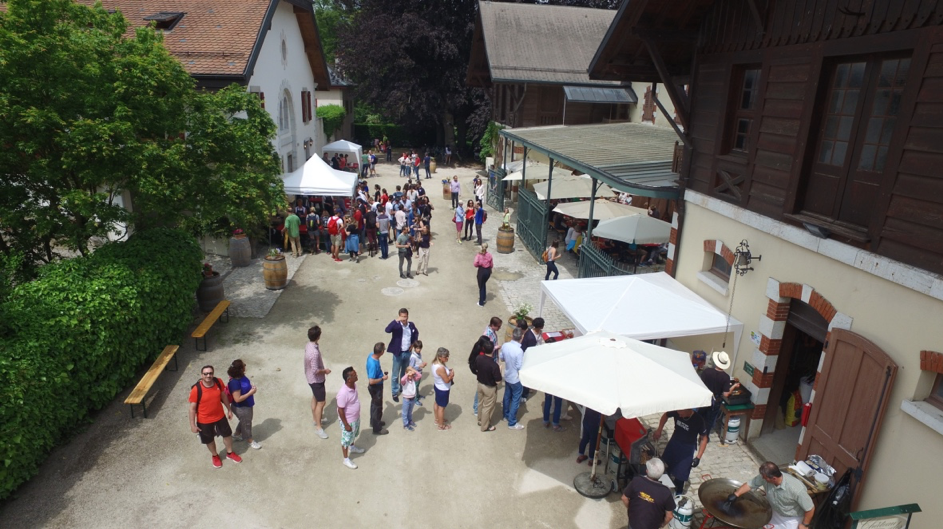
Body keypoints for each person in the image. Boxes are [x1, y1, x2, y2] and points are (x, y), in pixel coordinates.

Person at [729, 462, 815, 529]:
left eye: (764, 478)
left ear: (774, 478)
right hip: (775, 511)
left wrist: (804, 525)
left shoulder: (796, 489)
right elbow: (750, 484)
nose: (762, 479)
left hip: (791, 518)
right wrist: (736, 494)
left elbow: (810, 508)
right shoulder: (765, 477)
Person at [188, 365, 242, 469]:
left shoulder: (218, 382)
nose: (208, 375)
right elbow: (192, 408)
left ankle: (230, 453)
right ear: (202, 375)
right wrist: (192, 425)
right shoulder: (196, 389)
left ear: (213, 373)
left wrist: (229, 409)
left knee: (227, 435)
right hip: (204, 420)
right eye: (206, 374)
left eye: (210, 373)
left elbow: (223, 396)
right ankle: (215, 455)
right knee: (209, 439)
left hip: (220, 416)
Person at [653, 408, 709, 494]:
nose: (679, 415)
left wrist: (698, 457)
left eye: (681, 413)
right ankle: (661, 488)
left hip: (687, 448)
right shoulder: (677, 411)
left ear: (688, 409)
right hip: (674, 442)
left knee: (681, 474)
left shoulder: (698, 420)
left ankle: (678, 494)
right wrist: (659, 430)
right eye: (678, 413)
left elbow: (704, 439)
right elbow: (666, 415)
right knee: (665, 466)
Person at [621, 458, 676, 529]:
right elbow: (669, 516)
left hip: (634, 523)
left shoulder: (637, 481)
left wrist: (631, 509)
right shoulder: (666, 492)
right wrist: (662, 525)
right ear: (661, 474)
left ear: (647, 471)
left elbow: (624, 498)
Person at [699, 351, 739, 438]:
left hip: (704, 399)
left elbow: (700, 384)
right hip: (714, 402)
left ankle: (695, 433)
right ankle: (704, 437)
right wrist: (734, 386)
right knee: (709, 421)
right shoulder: (725, 377)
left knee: (700, 417)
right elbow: (726, 394)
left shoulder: (707, 371)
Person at [384, 307, 419, 401]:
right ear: (399, 316)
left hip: (407, 353)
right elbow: (387, 330)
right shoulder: (396, 325)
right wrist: (396, 320)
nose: (404, 319)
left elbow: (416, 334)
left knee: (404, 372)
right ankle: (394, 392)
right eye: (402, 317)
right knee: (395, 374)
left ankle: (402, 387)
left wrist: (413, 344)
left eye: (406, 317)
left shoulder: (411, 325)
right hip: (398, 353)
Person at [225, 360, 260, 450]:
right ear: (240, 369)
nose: (245, 365)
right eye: (244, 365)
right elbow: (237, 399)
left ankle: (236, 434)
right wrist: (251, 392)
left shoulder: (241, 376)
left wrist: (250, 387)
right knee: (247, 423)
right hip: (241, 407)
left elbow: (245, 384)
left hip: (247, 404)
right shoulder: (234, 383)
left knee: (244, 420)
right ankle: (249, 440)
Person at [304, 325, 331, 439]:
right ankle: (318, 428)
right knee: (321, 402)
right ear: (318, 336)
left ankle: (316, 419)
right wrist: (325, 371)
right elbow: (315, 370)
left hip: (310, 378)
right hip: (316, 380)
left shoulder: (309, 345)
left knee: (315, 397)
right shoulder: (314, 353)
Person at [336, 367, 365, 469]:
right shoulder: (343, 393)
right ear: (349, 379)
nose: (357, 375)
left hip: (355, 417)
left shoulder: (354, 385)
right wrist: (346, 424)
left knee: (353, 434)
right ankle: (346, 459)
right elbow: (340, 410)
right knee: (346, 439)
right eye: (354, 375)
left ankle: (352, 447)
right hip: (348, 420)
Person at [501, 327, 526, 430]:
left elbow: (502, 358)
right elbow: (519, 366)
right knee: (515, 400)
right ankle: (512, 422)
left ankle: (505, 416)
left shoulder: (505, 345)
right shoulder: (519, 351)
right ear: (522, 337)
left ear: (512, 335)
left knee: (507, 396)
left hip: (507, 375)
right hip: (515, 378)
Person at [475, 340, 502, 432]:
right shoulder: (494, 365)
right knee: (487, 407)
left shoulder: (478, 358)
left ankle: (480, 420)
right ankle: (485, 426)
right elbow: (498, 381)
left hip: (480, 384)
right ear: (493, 350)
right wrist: (500, 370)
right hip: (489, 388)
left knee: (480, 403)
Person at [365, 342, 390, 435]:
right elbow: (371, 381)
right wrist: (382, 378)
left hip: (376, 386)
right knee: (377, 407)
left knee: (374, 404)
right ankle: (377, 428)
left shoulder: (371, 355)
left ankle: (374, 421)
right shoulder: (373, 364)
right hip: (376, 387)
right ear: (381, 352)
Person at [431, 347, 455, 430]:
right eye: (445, 357)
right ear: (440, 357)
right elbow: (447, 380)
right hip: (443, 390)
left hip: (437, 386)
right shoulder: (441, 368)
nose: (447, 358)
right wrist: (451, 375)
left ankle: (438, 419)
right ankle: (441, 426)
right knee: (441, 408)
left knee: (437, 403)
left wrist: (447, 371)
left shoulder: (435, 363)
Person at [473, 243, 493, 307]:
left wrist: (479, 265)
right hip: (488, 271)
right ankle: (484, 298)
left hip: (481, 271)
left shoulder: (479, 255)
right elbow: (491, 264)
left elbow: (475, 264)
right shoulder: (489, 255)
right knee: (483, 283)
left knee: (481, 286)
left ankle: (481, 302)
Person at [400, 366, 420, 431]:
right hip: (406, 399)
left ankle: (410, 421)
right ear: (406, 374)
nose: (410, 376)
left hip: (412, 399)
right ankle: (406, 424)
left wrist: (413, 370)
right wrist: (407, 374)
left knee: (410, 412)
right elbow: (402, 380)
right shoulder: (405, 381)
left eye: (412, 375)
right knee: (404, 413)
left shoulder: (414, 379)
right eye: (409, 375)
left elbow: (419, 375)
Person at [409, 340, 428, 407]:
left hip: (419, 373)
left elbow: (419, 362)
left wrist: (422, 364)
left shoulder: (419, 354)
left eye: (420, 348)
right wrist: (420, 366)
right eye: (417, 348)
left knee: (417, 386)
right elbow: (411, 367)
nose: (419, 350)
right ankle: (415, 399)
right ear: (414, 348)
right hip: (415, 374)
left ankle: (417, 395)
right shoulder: (413, 357)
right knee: (415, 386)